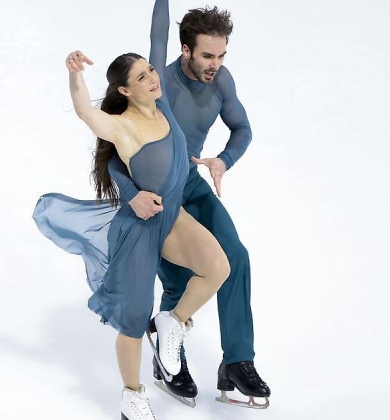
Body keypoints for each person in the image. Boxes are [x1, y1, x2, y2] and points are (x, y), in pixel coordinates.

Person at [32, 34, 229, 420]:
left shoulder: (162, 105)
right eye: (141, 77)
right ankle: (132, 396)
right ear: (124, 90)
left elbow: (159, 34)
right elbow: (85, 113)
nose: (153, 78)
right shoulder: (121, 127)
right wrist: (74, 74)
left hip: (171, 217)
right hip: (138, 231)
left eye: (151, 70)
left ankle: (171, 322)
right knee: (135, 321)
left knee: (218, 267)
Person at [108, 0, 271, 409]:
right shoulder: (155, 85)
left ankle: (237, 361)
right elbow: (112, 156)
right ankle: (169, 363)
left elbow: (243, 128)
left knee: (236, 257)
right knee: (179, 282)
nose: (216, 64)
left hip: (192, 183)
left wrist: (223, 160)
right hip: (159, 198)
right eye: (207, 56)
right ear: (185, 50)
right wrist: (132, 195)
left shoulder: (222, 81)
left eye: (221, 55)